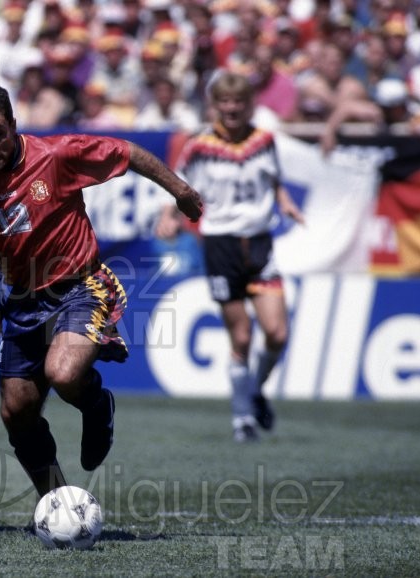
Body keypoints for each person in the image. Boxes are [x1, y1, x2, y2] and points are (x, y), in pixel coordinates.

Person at [0, 84, 203, 498]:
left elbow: (127, 152)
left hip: (80, 286)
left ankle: (97, 404)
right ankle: (59, 501)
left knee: (63, 372)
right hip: (22, 300)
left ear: (13, 125)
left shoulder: (55, 154)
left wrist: (180, 191)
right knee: (16, 412)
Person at [155, 71, 305, 443]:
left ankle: (254, 389)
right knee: (241, 337)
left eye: (238, 101)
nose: (232, 108)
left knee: (277, 333)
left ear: (249, 104)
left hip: (259, 244)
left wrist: (285, 202)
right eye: (225, 101)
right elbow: (179, 183)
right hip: (221, 247)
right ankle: (243, 419)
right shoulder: (200, 145)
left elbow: (273, 179)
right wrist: (169, 214)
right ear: (215, 105)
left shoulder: (264, 140)